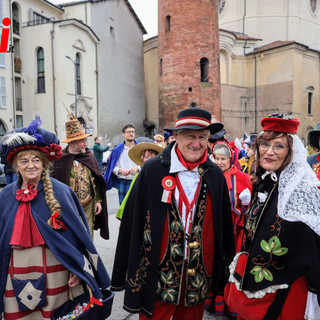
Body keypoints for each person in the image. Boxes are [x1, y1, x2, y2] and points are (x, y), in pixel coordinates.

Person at [111, 107, 235, 320]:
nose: (196, 144)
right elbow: (134, 221)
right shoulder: (152, 170)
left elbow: (223, 227)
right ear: (176, 136)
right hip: (157, 274)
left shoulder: (215, 175)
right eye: (190, 136)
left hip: (198, 275)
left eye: (202, 137)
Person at [0, 117, 111, 320]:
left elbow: (77, 237)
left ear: (44, 163)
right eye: (24, 161)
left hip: (55, 270)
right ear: (16, 166)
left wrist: (77, 269)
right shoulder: (5, 196)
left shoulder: (61, 193)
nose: (30, 166)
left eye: (36, 160)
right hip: (13, 271)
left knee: (51, 314)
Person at [224, 113, 320, 320]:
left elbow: (314, 246)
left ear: (291, 152)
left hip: (288, 290)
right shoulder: (265, 181)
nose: (269, 152)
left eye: (279, 146)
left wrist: (314, 292)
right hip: (256, 285)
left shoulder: (303, 190)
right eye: (265, 144)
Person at [52, 114, 109, 239]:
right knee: (70, 235)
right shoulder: (60, 159)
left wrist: (98, 201)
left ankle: (88, 258)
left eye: (85, 140)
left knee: (87, 236)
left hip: (88, 204)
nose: (85, 144)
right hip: (68, 206)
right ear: (72, 142)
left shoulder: (89, 156)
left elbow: (97, 179)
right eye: (82, 141)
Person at [212, 141, 252, 252]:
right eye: (217, 158)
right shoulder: (212, 176)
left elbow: (251, 206)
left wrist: (245, 203)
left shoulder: (242, 178)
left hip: (235, 227)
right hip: (215, 224)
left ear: (231, 159)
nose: (219, 162)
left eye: (223, 159)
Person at [116, 142, 163, 220]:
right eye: (147, 157)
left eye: (153, 157)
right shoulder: (138, 176)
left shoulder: (162, 176)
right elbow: (129, 199)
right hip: (140, 214)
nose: (150, 160)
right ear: (142, 159)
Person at [104, 124, 140, 204]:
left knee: (139, 209)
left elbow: (146, 163)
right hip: (124, 182)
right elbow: (111, 167)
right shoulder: (117, 150)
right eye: (128, 132)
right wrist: (120, 171)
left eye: (133, 132)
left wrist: (138, 168)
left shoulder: (140, 148)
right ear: (123, 134)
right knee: (124, 211)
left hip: (139, 181)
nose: (131, 134)